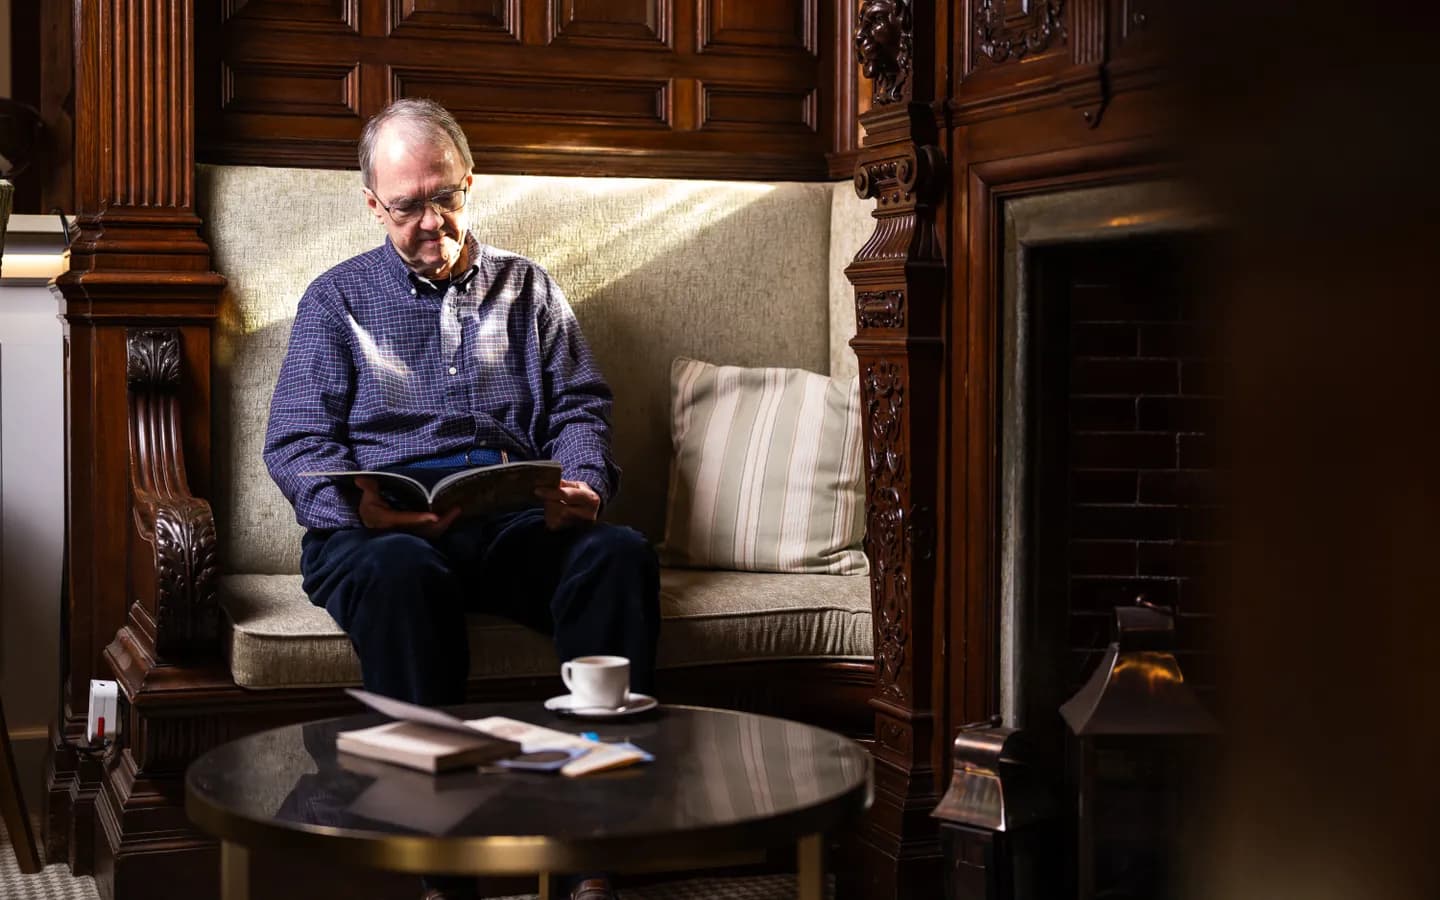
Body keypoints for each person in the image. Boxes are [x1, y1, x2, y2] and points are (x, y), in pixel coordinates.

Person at [263, 98, 658, 900]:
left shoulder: (528, 288)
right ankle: (437, 863)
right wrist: (359, 508)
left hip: (507, 517)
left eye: (443, 196)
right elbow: (298, 446)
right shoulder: (334, 301)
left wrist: (581, 481)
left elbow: (580, 406)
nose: (430, 221)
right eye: (407, 206)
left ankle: (595, 839)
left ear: (469, 182)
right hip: (379, 531)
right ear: (374, 205)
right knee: (405, 573)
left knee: (617, 554)